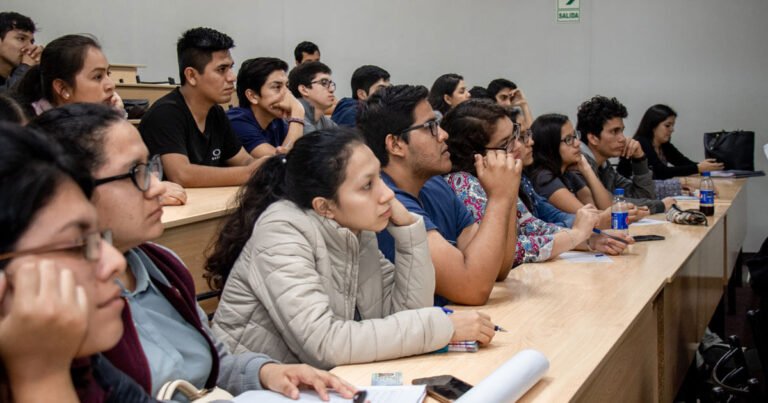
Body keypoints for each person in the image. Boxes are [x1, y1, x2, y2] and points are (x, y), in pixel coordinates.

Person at [34, 103, 357, 401]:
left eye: (152, 167)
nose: (159, 186)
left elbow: (215, 364)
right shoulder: (53, 302)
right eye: (137, 172)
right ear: (72, 191)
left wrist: (267, 371)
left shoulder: (163, 264)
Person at [206, 129, 495, 369]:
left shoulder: (355, 229)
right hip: (250, 391)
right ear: (324, 206)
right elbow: (325, 344)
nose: (388, 194)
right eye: (367, 185)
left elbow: (406, 315)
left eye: (379, 177)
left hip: (319, 384)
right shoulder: (281, 230)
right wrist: (441, 327)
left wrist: (409, 234)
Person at [0, 122, 152, 402]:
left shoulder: (82, 363)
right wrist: (41, 377)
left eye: (97, 237)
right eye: (77, 244)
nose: (115, 262)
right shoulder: (52, 362)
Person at [359, 85, 518, 306]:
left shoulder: (435, 185)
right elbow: (473, 288)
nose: (444, 135)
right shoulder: (387, 203)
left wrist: (507, 194)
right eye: (430, 127)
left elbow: (497, 268)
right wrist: (500, 198)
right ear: (395, 144)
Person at [442, 100, 630, 265]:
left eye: (515, 135)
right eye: (507, 142)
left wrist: (589, 240)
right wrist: (574, 236)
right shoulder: (464, 184)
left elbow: (532, 226)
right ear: (475, 153)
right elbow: (507, 252)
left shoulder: (500, 177)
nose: (519, 145)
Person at [140, 27, 263, 188]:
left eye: (231, 68)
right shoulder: (165, 114)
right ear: (191, 76)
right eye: (221, 69)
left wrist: (266, 164)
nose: (232, 77)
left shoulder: (216, 112)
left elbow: (244, 160)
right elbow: (181, 175)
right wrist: (250, 173)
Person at [528, 113, 648, 228]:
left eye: (575, 136)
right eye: (569, 139)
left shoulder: (569, 174)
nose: (577, 143)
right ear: (550, 145)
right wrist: (626, 213)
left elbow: (603, 208)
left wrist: (587, 170)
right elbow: (591, 217)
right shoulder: (544, 177)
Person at [576, 96, 674, 214]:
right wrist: (660, 205)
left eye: (622, 131)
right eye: (614, 131)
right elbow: (606, 206)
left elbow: (644, 196)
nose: (623, 138)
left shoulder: (604, 165)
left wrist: (639, 159)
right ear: (593, 138)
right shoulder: (578, 164)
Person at [14, 34, 122, 116]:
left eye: (108, 74)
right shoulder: (34, 134)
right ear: (63, 88)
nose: (111, 85)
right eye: (98, 77)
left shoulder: (101, 122)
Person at [617, 104, 723, 179]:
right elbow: (661, 172)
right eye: (667, 125)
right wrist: (698, 168)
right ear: (653, 125)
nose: (672, 129)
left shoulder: (664, 145)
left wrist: (709, 166)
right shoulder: (641, 143)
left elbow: (683, 163)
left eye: (673, 125)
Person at [227, 57, 305, 158]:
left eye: (287, 86)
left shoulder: (277, 122)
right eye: (277, 87)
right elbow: (280, 164)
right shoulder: (236, 121)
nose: (288, 94)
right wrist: (298, 111)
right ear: (252, 96)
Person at [287, 61, 338, 134]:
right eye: (324, 83)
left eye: (331, 84)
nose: (331, 89)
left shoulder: (323, 120)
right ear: (304, 90)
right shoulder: (294, 121)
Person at [0, 12, 42, 92]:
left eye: (31, 42)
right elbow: (6, 101)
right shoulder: (22, 71)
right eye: (21, 39)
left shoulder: (15, 75)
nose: (31, 47)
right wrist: (25, 67)